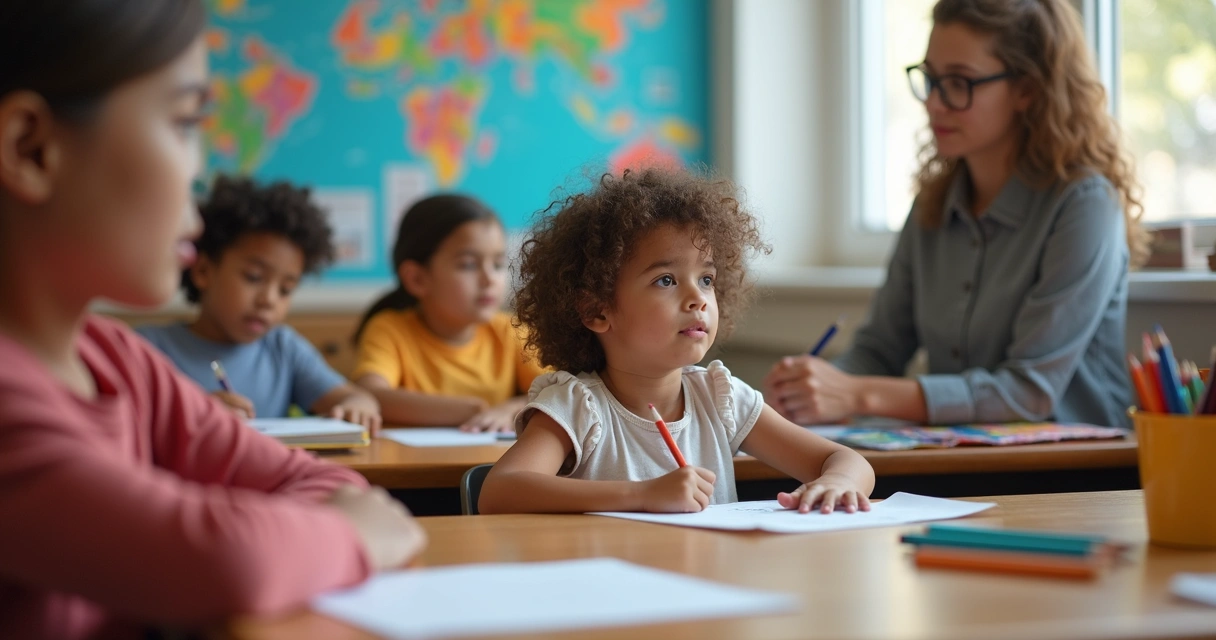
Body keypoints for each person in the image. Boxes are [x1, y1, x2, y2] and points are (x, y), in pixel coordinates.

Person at [0, 2, 423, 637]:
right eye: (185, 122)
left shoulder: (117, 358)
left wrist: (286, 528)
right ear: (30, 148)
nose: (199, 171)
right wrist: (344, 533)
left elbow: (307, 476)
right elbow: (223, 558)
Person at [766, 0, 1145, 429]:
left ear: (1028, 89)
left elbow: (1029, 393)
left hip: (1072, 475)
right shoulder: (934, 201)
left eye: (959, 82)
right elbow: (880, 350)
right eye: (930, 79)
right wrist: (808, 391)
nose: (933, 103)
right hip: (958, 461)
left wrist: (854, 392)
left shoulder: (1084, 204)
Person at [479, 169, 875, 515]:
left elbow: (844, 460)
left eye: (706, 279)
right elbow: (500, 491)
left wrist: (839, 482)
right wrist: (641, 494)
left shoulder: (720, 398)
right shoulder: (578, 406)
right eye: (665, 280)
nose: (698, 298)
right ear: (597, 311)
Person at [138, 175, 380, 431]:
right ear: (204, 272)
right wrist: (193, 414)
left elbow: (353, 397)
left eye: (285, 289)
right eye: (254, 277)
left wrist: (359, 405)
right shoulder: (147, 348)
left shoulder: (283, 348)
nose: (269, 300)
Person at [352, 195, 545, 433]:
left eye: (497, 264)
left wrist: (511, 408)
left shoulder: (510, 330)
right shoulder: (390, 329)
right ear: (417, 279)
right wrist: (473, 410)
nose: (489, 280)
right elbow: (370, 394)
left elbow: (557, 392)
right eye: (468, 265)